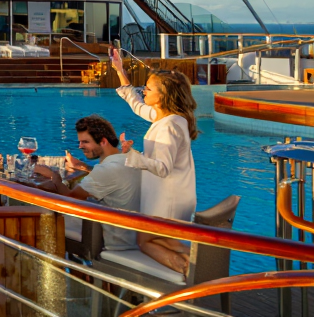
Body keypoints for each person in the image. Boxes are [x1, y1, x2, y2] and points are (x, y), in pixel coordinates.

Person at [110, 51, 198, 273]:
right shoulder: (169, 117)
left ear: (162, 95)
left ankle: (189, 273)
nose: (143, 91)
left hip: (167, 199)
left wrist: (132, 154)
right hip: (171, 196)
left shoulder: (169, 126)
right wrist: (120, 71)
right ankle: (200, 273)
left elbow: (163, 167)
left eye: (148, 89)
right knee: (168, 243)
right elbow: (137, 104)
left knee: (145, 242)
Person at [31, 115, 142, 251]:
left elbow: (71, 200)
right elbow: (110, 179)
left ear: (103, 142)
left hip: (110, 237)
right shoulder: (131, 158)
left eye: (85, 142)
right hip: (132, 232)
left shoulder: (106, 170)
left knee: (37, 221)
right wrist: (83, 167)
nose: (80, 146)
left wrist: (54, 177)